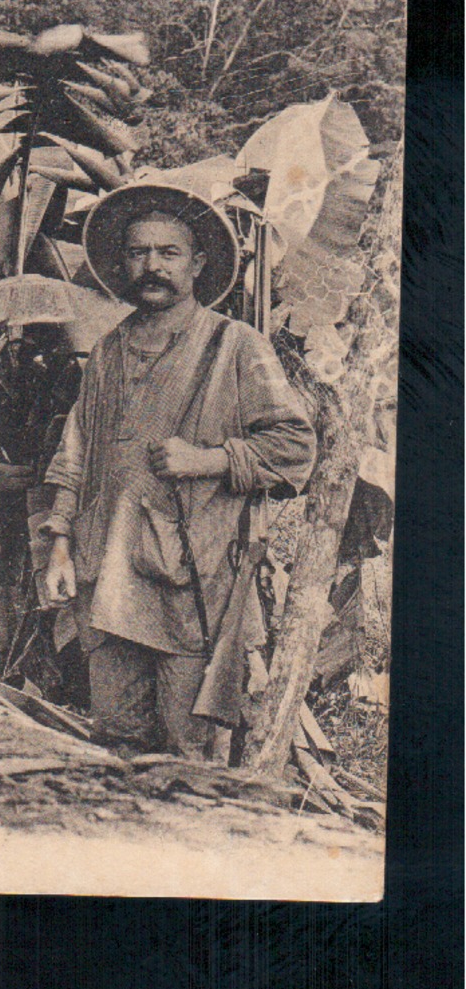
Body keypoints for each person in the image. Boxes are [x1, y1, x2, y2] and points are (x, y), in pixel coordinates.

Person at [39, 183, 316, 760]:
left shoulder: (236, 346)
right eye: (139, 253)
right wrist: (61, 545)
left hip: (194, 589)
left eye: (169, 253)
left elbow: (295, 447)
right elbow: (75, 452)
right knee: (116, 743)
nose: (152, 266)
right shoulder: (108, 351)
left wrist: (208, 460)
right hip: (108, 584)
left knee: (190, 755)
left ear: (198, 264)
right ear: (122, 264)